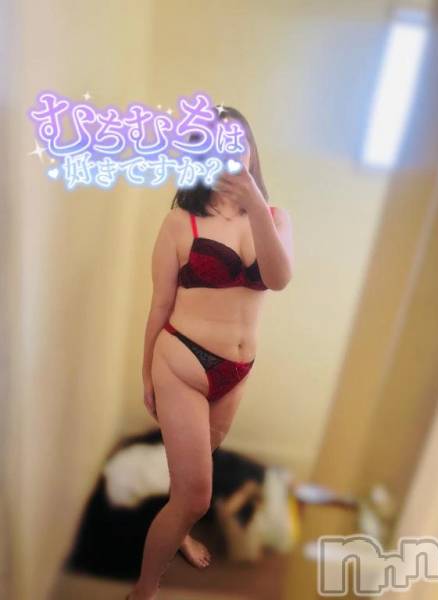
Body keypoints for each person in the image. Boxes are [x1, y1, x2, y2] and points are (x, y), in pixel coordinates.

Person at [127, 105, 294, 599]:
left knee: (193, 477)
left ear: (251, 150)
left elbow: (279, 279)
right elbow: (160, 304)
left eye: (238, 140)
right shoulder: (180, 222)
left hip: (236, 370)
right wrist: (147, 375)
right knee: (197, 495)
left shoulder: (275, 218)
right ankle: (144, 589)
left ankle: (179, 526)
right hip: (182, 361)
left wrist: (256, 205)